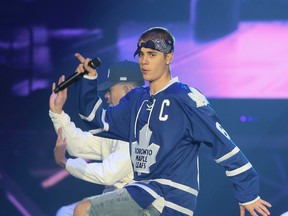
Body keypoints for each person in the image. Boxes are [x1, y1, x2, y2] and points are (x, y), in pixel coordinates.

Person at [58, 27, 272, 215]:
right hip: (143, 191)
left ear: (169, 58)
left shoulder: (184, 98)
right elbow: (99, 122)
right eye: (141, 54)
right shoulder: (136, 99)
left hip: (168, 196)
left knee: (82, 210)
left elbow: (223, 144)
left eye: (152, 54)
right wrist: (88, 80)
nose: (144, 60)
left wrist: (248, 194)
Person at [49, 60, 144, 215]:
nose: (106, 95)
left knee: (81, 211)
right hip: (113, 199)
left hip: (134, 203)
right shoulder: (116, 125)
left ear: (127, 90)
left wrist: (66, 163)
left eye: (110, 90)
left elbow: (107, 174)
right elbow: (79, 145)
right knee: (65, 212)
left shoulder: (139, 125)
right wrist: (57, 113)